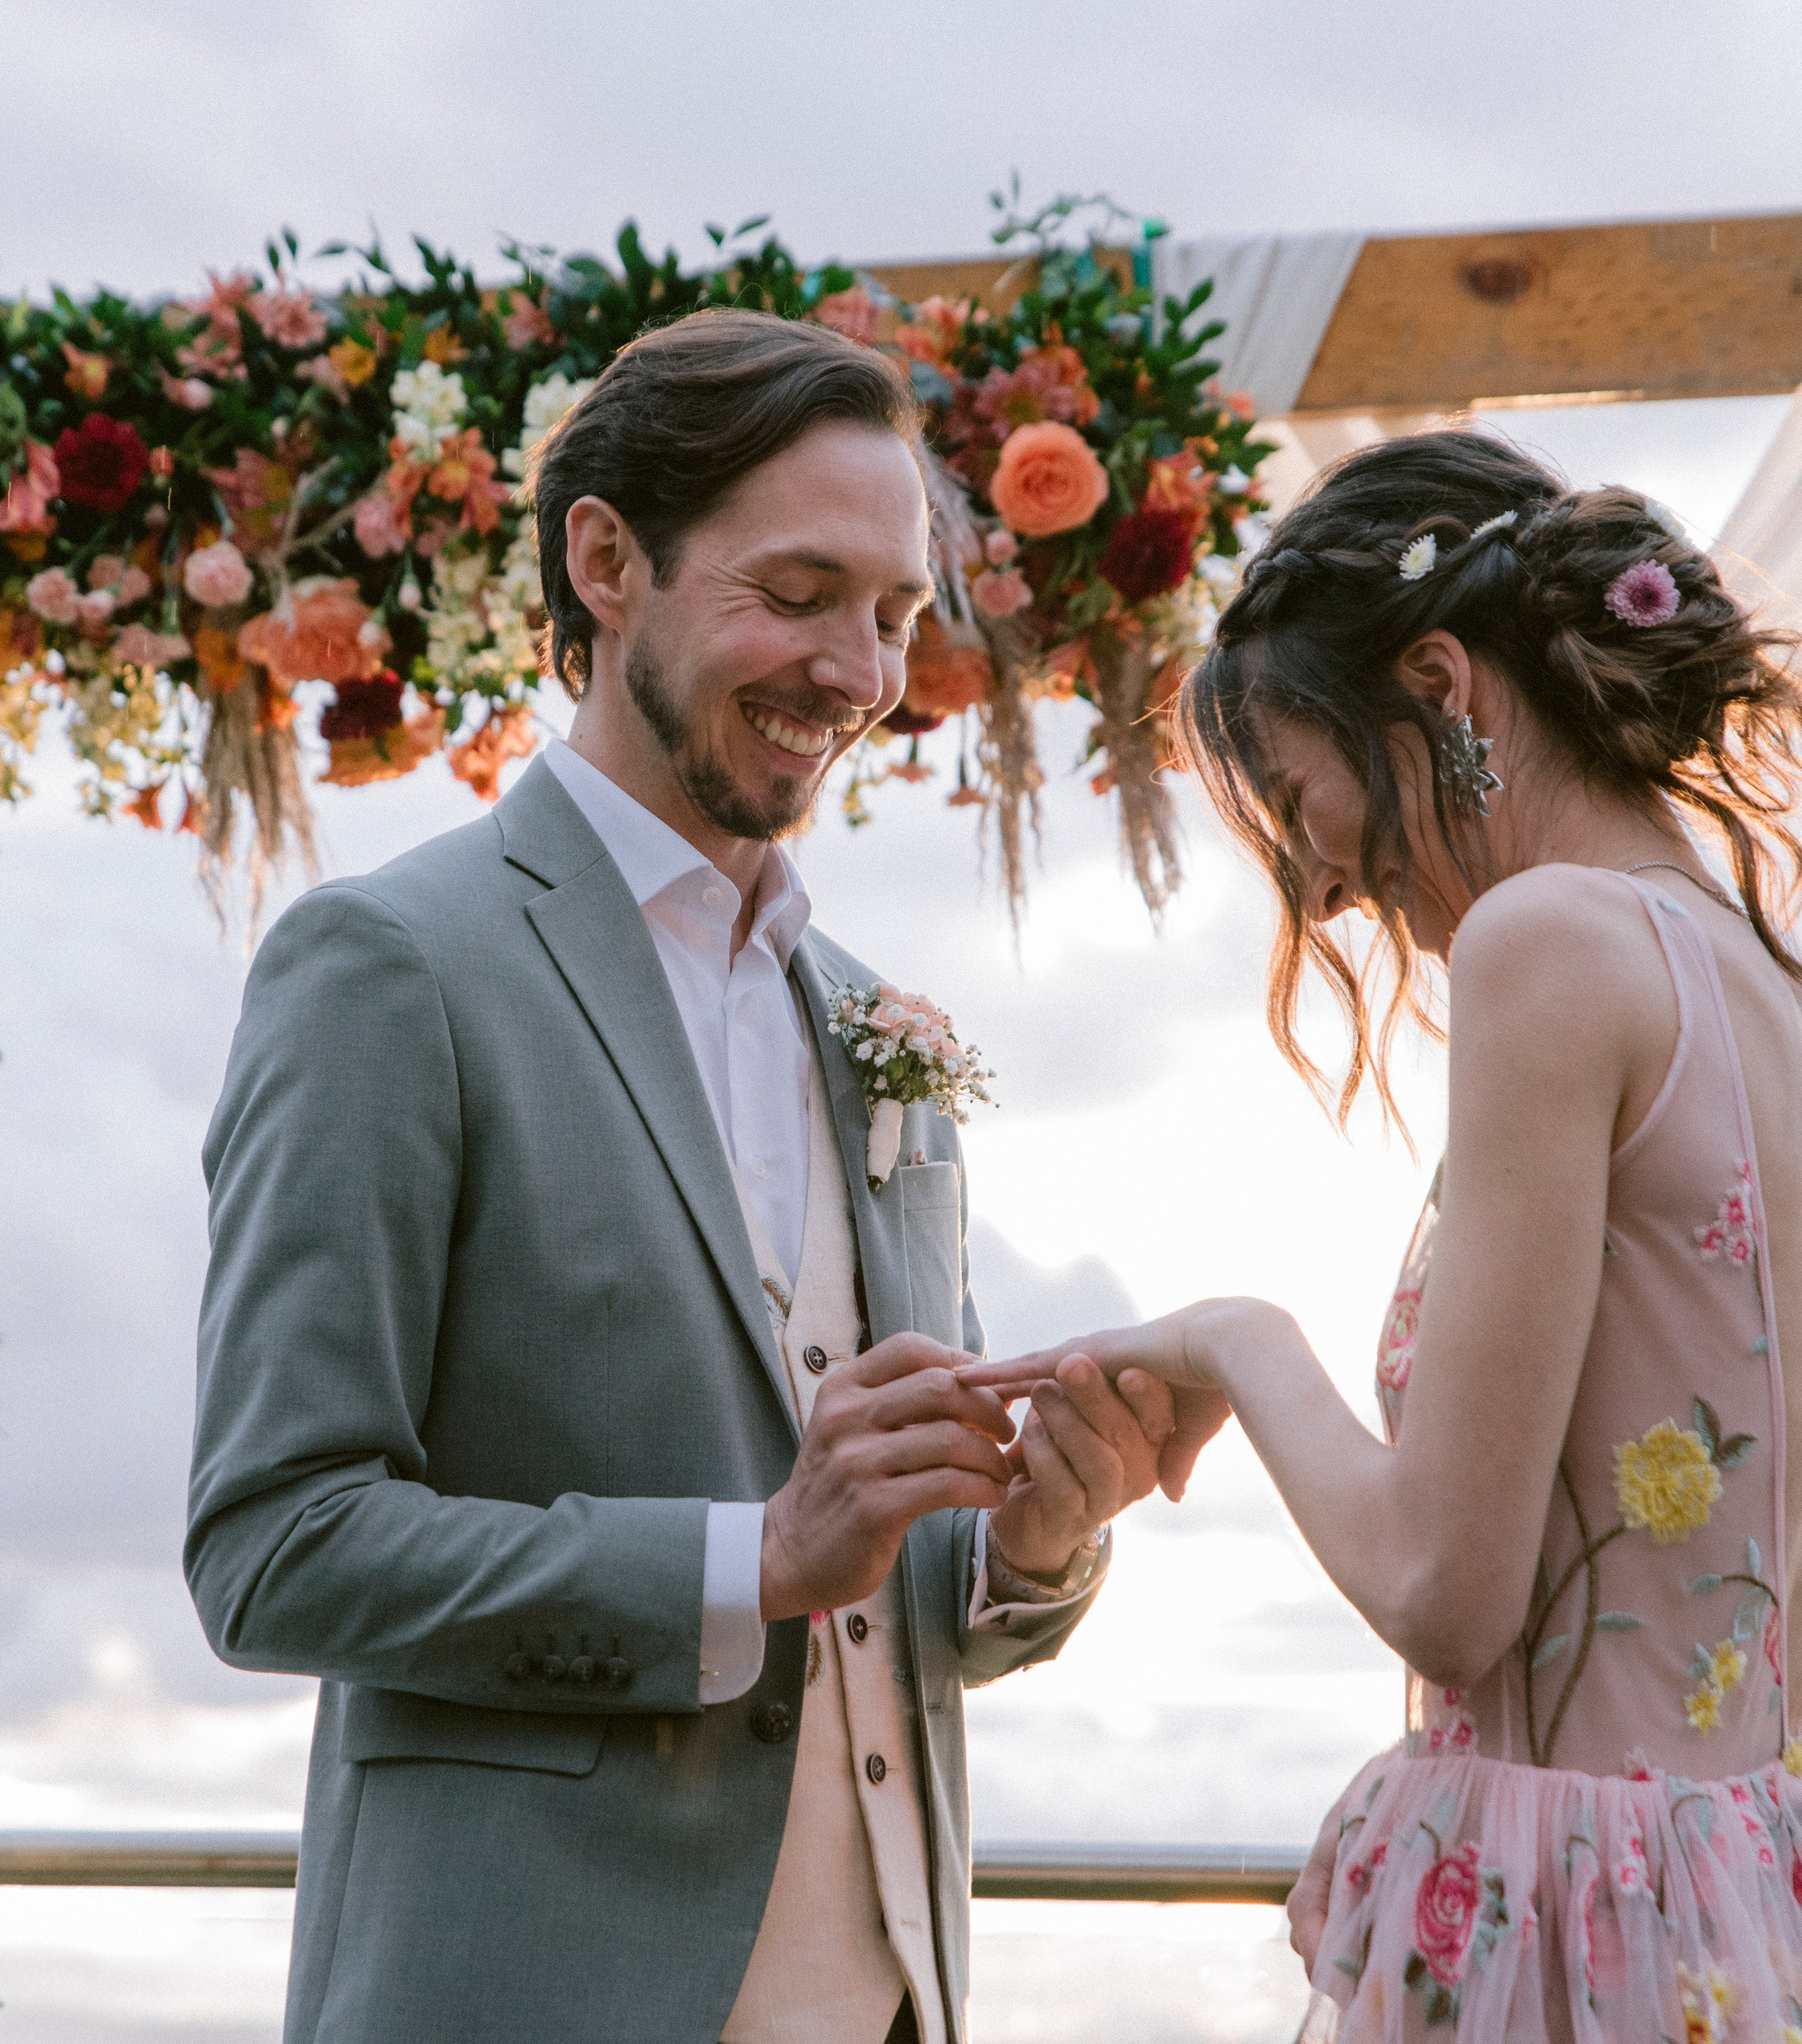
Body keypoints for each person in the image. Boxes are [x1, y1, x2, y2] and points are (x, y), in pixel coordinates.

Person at [185, 309, 1187, 2044]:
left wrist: (1029, 1546)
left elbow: (891, 1601)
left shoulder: (873, 1021)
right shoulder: (391, 968)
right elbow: (274, 1546)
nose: (859, 672)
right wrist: (754, 1554)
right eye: (797, 593)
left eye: (894, 615)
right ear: (604, 562)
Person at [964, 430, 1802, 2040]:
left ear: (1438, 684)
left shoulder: (1548, 941)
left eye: (1297, 797)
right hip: (1727, 1884)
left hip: (1566, 1916)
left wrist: (1238, 1341)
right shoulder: (1759, 973)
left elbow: (1443, 1589)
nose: (1323, 884)